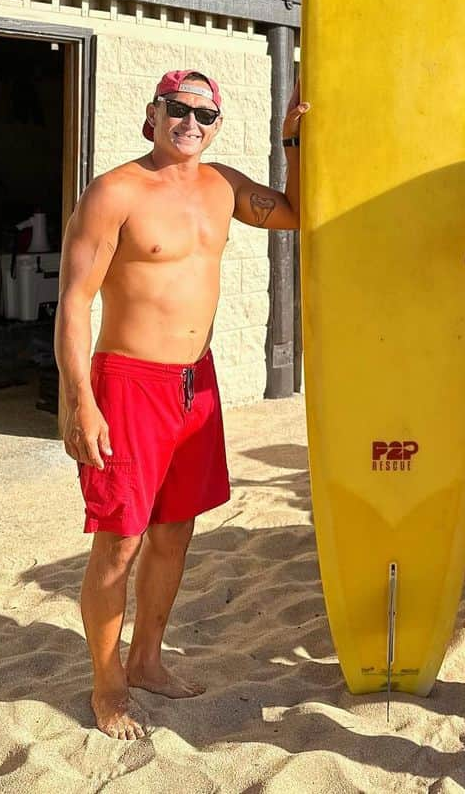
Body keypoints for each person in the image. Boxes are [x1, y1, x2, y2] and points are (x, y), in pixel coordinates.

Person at [55, 68, 308, 740]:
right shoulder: (116, 191)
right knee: (119, 543)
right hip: (128, 384)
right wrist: (79, 400)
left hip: (195, 383)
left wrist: (293, 140)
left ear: (218, 123)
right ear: (153, 112)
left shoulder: (222, 185)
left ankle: (146, 660)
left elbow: (297, 212)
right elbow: (75, 302)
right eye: (179, 108)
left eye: (205, 112)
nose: (191, 121)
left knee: (174, 532)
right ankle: (107, 685)